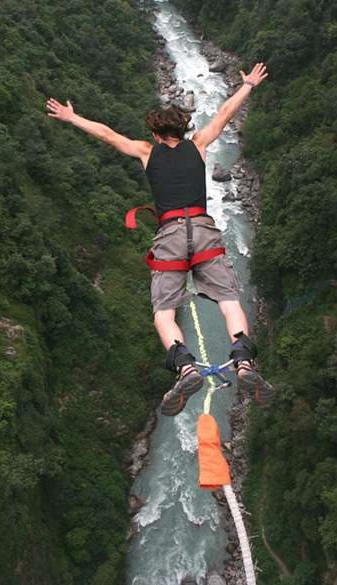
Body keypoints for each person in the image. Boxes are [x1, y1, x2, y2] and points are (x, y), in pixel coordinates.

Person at [46, 63, 272, 416]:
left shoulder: (146, 152)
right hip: (203, 231)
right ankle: (243, 362)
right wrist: (247, 86)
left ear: (153, 133)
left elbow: (107, 134)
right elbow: (225, 113)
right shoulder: (199, 145)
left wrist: (72, 118)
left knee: (164, 312)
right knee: (229, 299)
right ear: (184, 129)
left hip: (169, 238)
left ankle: (184, 367)